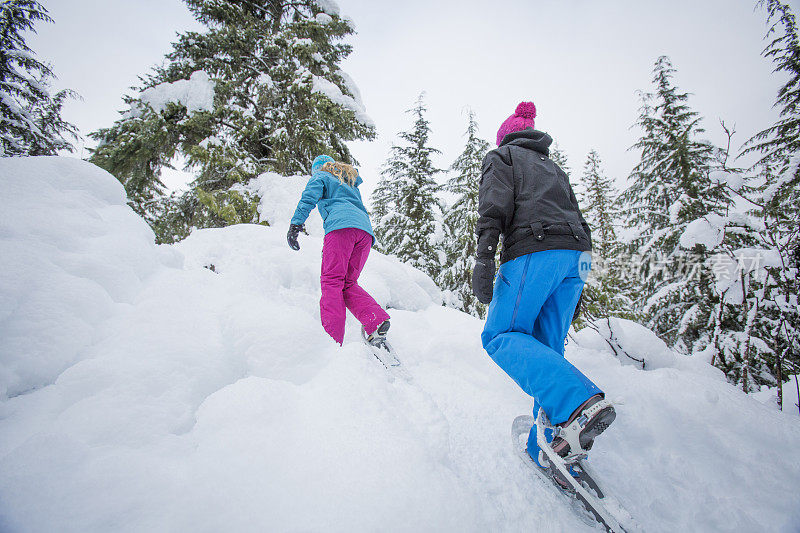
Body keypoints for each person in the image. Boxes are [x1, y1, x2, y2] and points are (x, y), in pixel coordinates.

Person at [472, 101, 616, 474]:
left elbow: (493, 204)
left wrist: (485, 256)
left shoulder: (502, 156)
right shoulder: (554, 167)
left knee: (501, 334)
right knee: (546, 350)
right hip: (577, 257)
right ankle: (551, 441)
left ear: (506, 137)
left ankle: (578, 404)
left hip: (535, 250)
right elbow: (577, 217)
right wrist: (575, 282)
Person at [288, 155, 390, 347]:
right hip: (365, 234)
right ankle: (375, 320)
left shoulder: (321, 176)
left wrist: (296, 223)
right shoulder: (349, 183)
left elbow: (309, 197)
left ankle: (331, 341)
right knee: (348, 283)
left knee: (332, 282)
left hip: (341, 229)